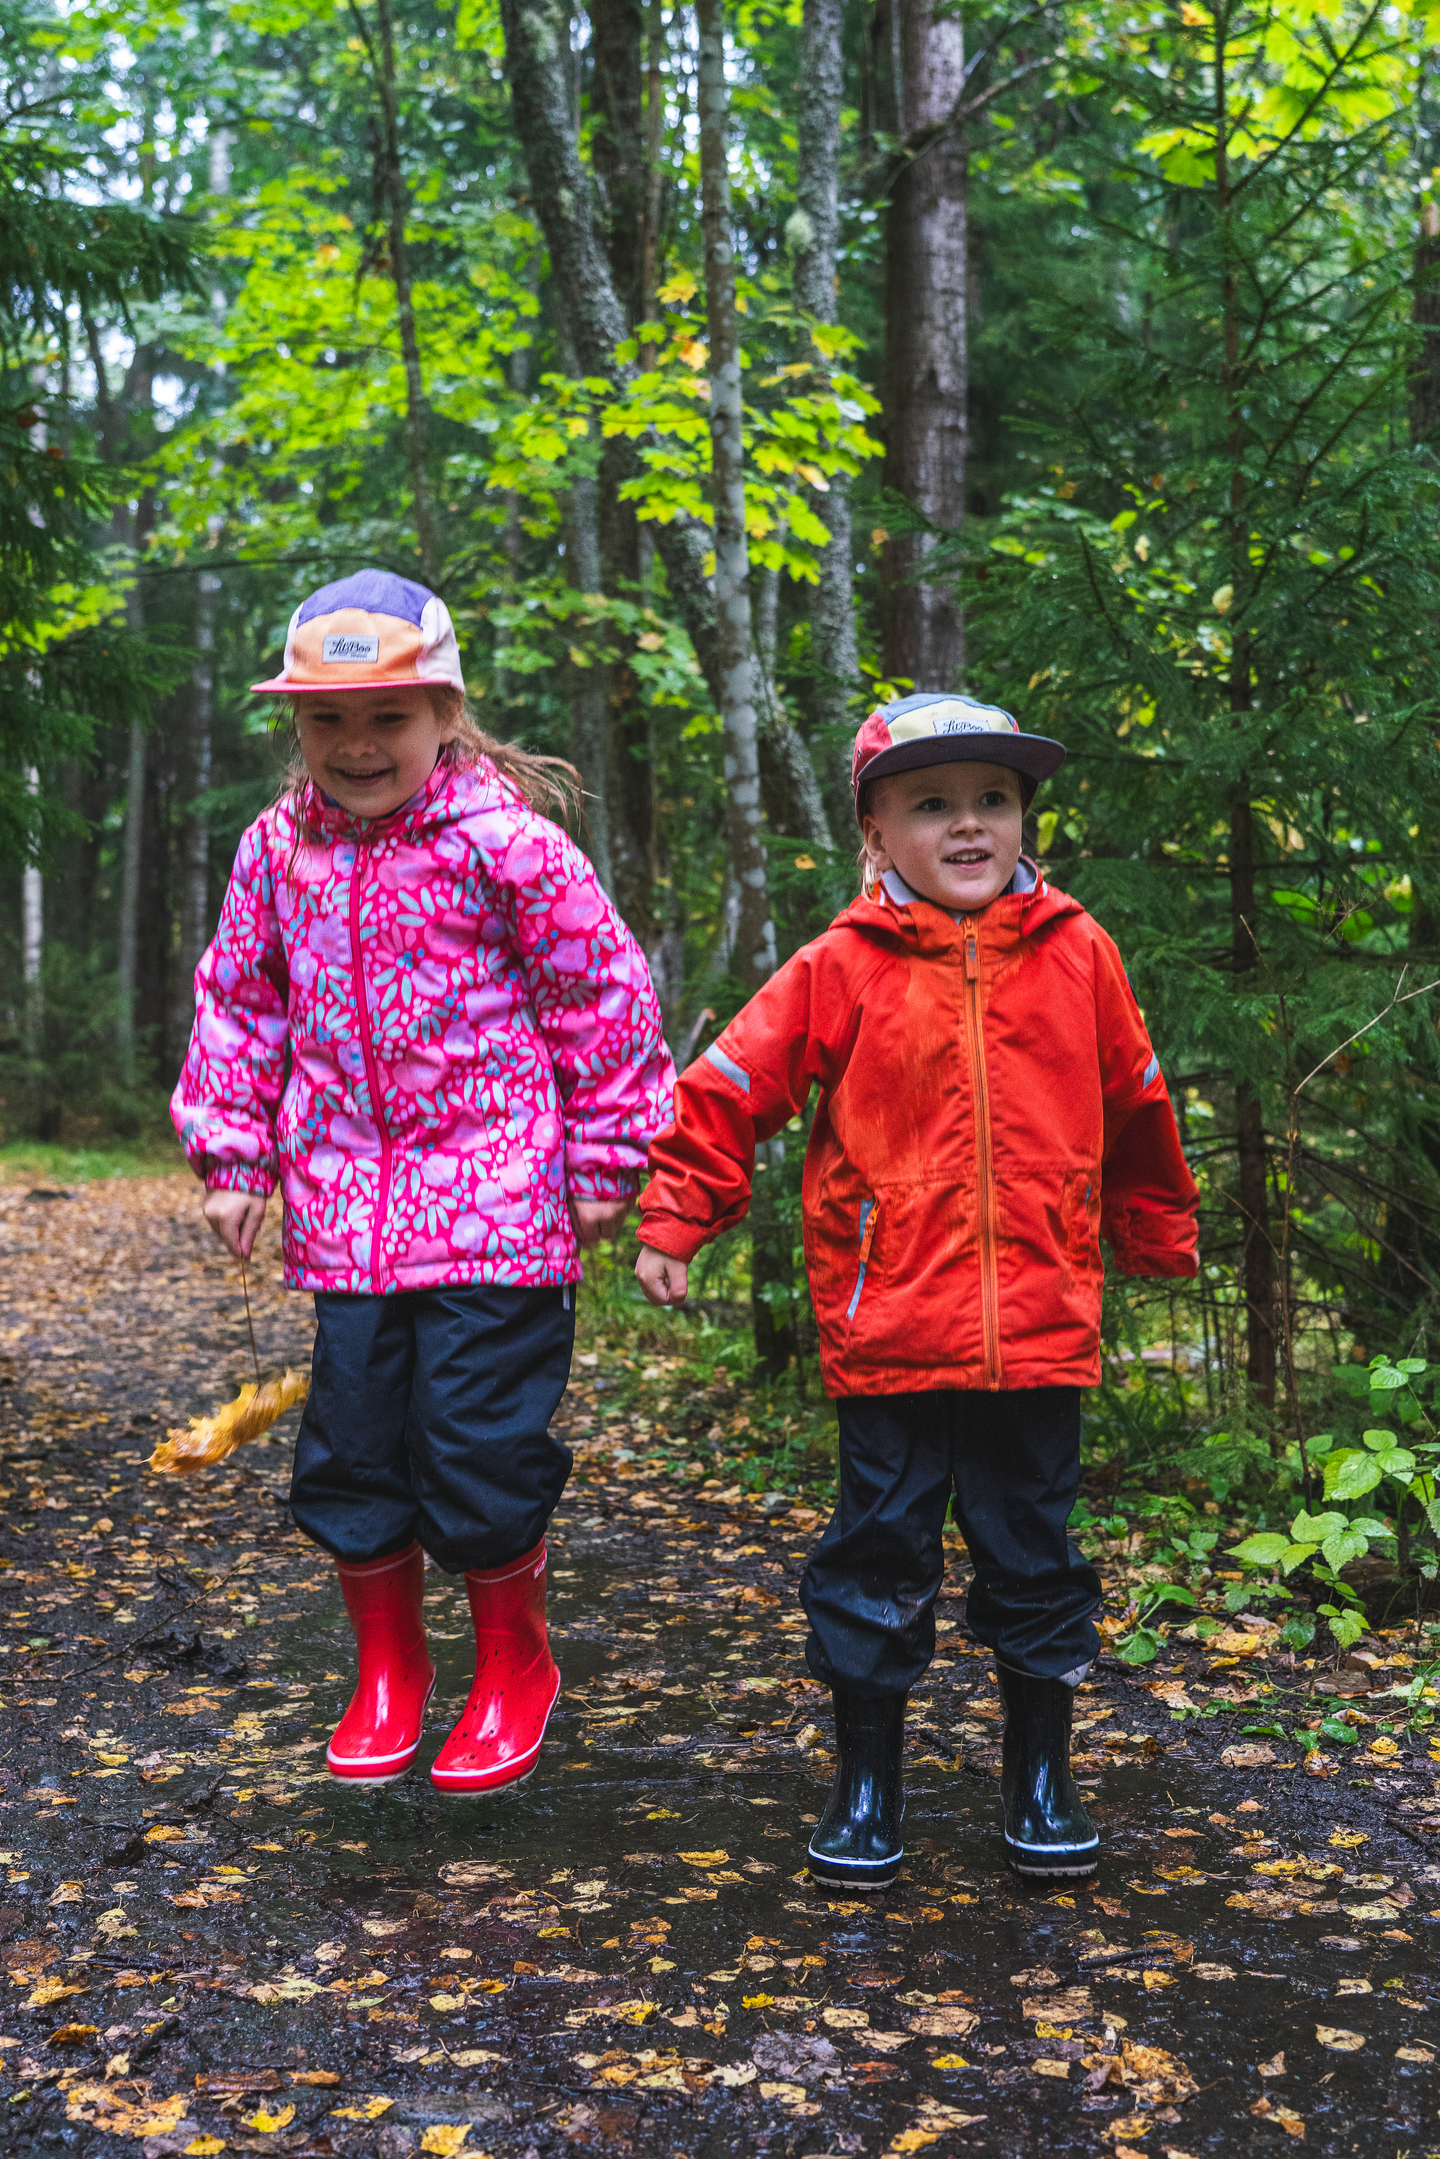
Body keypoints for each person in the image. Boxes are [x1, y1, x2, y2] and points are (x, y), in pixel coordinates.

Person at [634, 692, 1198, 1886]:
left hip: (1040, 1322)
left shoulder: (1078, 948)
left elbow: (1137, 1093)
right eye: (931, 803)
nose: (968, 824)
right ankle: (866, 1779)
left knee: (1034, 1553)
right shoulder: (841, 963)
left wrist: (1154, 1227)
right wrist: (682, 1214)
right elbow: (732, 1082)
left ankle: (1040, 1773)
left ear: (1024, 816)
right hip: (889, 1322)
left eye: (993, 798)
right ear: (875, 830)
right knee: (879, 1553)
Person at [172, 570, 675, 1795]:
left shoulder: (507, 845)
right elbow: (243, 1002)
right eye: (326, 719)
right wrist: (234, 1152)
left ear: (445, 711)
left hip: (495, 1205)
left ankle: (515, 1662)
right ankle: (389, 1666)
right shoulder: (275, 851)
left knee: (476, 1449)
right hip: (345, 1215)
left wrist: (610, 1154)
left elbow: (603, 998)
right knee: (350, 1452)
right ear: (295, 726)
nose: (355, 745)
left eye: (387, 716)